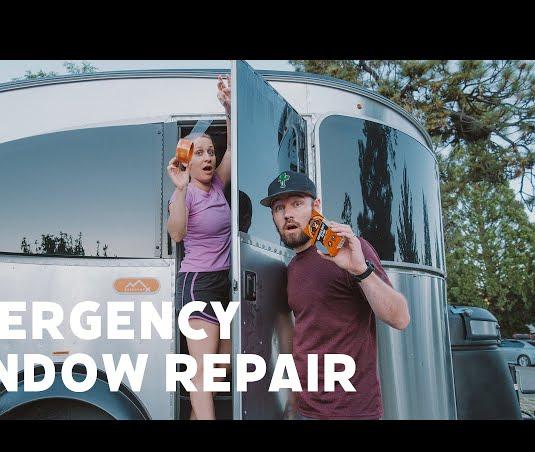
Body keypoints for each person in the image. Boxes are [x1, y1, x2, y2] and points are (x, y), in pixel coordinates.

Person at [261, 171, 411, 420]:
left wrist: (360, 270)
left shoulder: (351, 250)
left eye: (297, 204)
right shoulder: (293, 269)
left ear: (316, 206)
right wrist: (293, 397)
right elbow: (303, 339)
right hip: (306, 411)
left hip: (352, 413)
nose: (288, 214)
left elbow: (400, 318)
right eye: (279, 208)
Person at [167, 75, 232, 420]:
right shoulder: (186, 194)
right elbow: (177, 235)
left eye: (211, 151)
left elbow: (234, 147)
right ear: (187, 162)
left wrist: (229, 108)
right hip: (198, 284)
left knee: (219, 370)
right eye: (200, 153)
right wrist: (179, 189)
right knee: (203, 375)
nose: (208, 157)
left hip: (224, 283)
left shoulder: (219, 184)